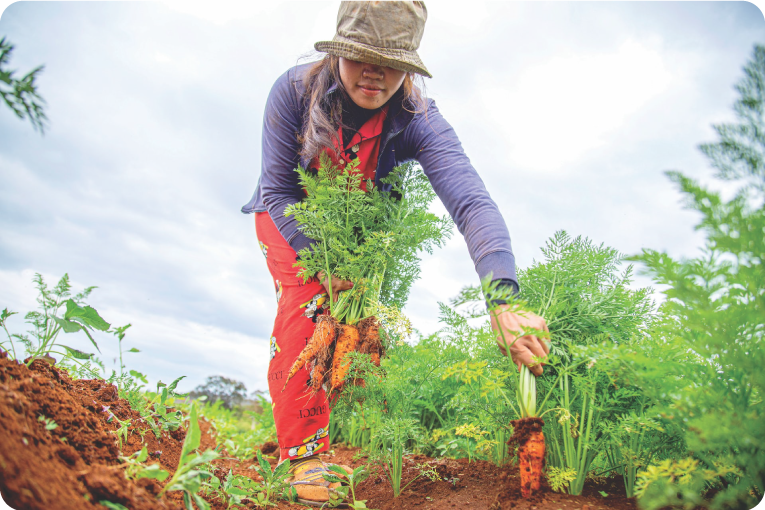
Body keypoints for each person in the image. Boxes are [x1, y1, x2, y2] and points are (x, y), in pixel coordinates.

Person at [241, 0, 550, 505]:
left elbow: (471, 200)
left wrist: (503, 298)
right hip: (289, 218)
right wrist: (323, 261)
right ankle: (298, 458)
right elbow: (278, 190)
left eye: (393, 63)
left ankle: (311, 426)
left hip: (360, 229)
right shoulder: (294, 91)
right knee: (309, 305)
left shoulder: (417, 117)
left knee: (349, 334)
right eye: (363, 55)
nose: (377, 73)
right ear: (339, 49)